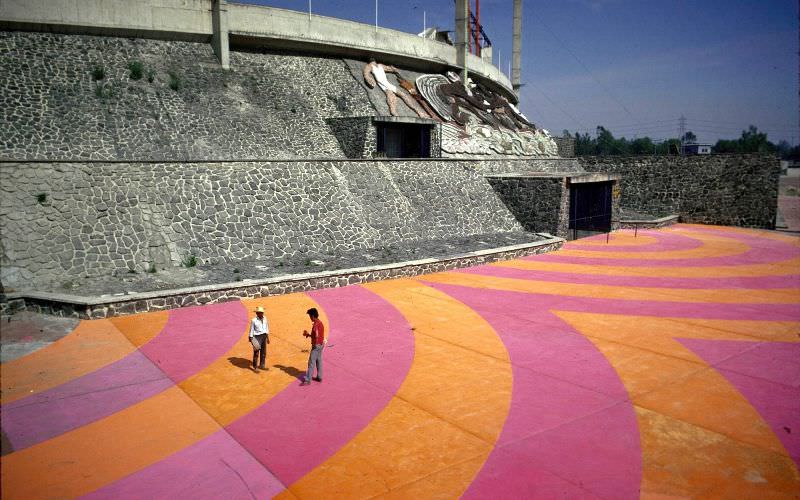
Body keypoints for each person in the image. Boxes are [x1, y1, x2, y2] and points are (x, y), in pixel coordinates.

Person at [301, 307, 325, 385]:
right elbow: (316, 335)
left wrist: (315, 342)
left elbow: (316, 334)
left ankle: (308, 380)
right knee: (318, 361)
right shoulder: (320, 322)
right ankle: (319, 376)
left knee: (311, 362)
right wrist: (308, 335)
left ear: (313, 316)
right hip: (321, 345)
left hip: (316, 346)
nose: (310, 318)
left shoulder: (315, 324)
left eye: (310, 316)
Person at [248, 306, 270, 372]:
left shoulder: (265, 318)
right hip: (256, 337)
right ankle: (255, 367)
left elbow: (266, 328)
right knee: (256, 353)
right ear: (257, 313)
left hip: (263, 336)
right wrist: (250, 338)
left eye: (262, 312)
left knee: (263, 352)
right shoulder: (253, 320)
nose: (261, 314)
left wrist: (267, 338)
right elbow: (251, 330)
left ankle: (262, 365)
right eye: (260, 312)